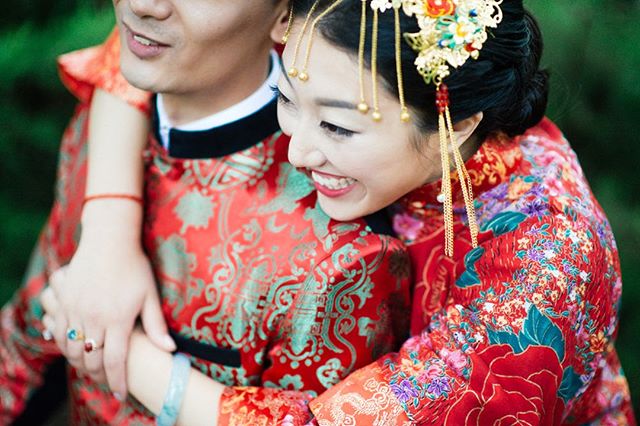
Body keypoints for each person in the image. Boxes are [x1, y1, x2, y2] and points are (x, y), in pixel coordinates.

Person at [26, 0, 640, 424]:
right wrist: (107, 230)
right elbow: (154, 43)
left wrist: (109, 345)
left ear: (459, 129)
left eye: (339, 127)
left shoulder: (549, 260)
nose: (296, 149)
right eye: (285, 99)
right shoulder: (342, 53)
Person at [1, 0, 412, 424]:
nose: (143, 6)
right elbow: (27, 334)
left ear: (286, 16)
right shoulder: (108, 111)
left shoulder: (344, 259)